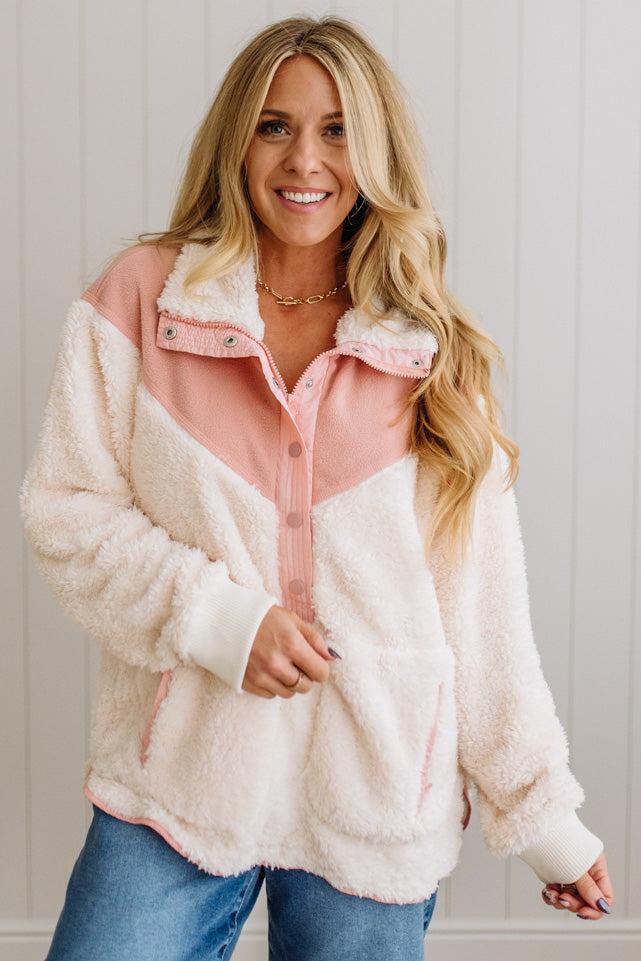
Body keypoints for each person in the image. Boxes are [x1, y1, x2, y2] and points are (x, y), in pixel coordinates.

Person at [18, 14, 614, 961]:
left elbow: (483, 612)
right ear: (235, 139)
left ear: (373, 148)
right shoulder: (139, 302)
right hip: (180, 782)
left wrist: (541, 814)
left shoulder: (430, 349)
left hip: (373, 796)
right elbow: (67, 514)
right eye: (274, 125)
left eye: (337, 128)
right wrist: (218, 621)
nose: (305, 158)